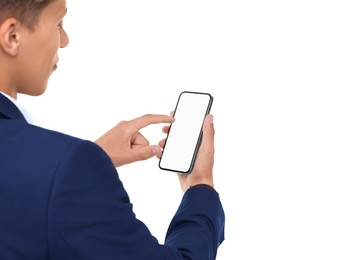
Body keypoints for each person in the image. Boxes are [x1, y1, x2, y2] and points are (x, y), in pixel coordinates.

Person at [0, 0, 225, 259]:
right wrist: (200, 186)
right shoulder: (68, 168)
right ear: (12, 36)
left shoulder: (57, 168)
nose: (64, 40)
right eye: (58, 23)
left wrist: (74, 165)